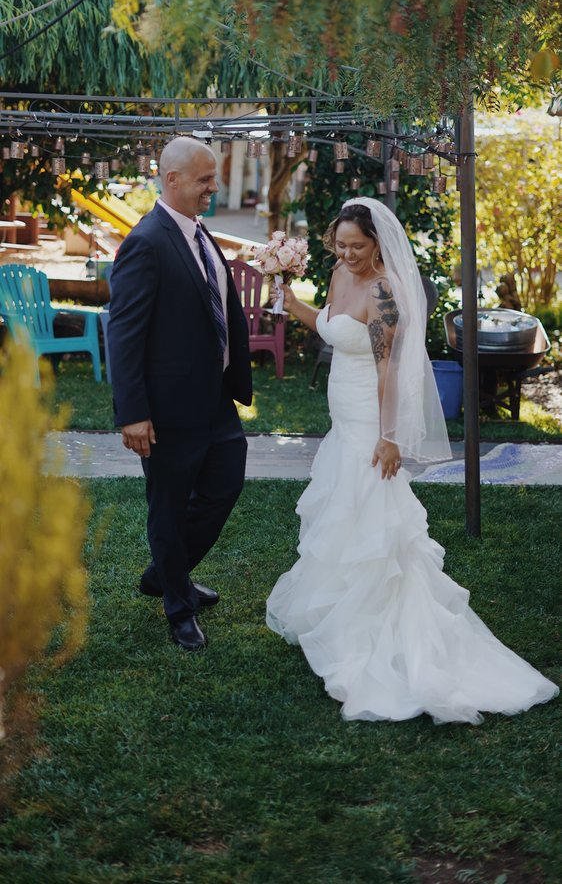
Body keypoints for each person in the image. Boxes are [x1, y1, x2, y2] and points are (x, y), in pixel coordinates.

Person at [266, 197, 558, 724]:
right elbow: (330, 327)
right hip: (342, 418)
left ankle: (377, 627)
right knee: (342, 514)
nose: (348, 254)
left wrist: (389, 436)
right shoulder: (339, 274)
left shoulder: (383, 293)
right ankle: (339, 615)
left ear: (378, 245)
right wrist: (292, 303)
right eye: (341, 245)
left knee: (375, 518)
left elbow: (389, 369)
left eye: (358, 246)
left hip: (369, 421)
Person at [108, 137, 252, 651]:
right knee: (168, 508)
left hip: (214, 398)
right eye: (204, 180)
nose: (214, 188)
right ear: (171, 179)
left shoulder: (198, 231)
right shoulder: (146, 242)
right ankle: (179, 607)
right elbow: (123, 333)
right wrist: (133, 413)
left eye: (214, 178)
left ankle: (165, 573)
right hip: (167, 409)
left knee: (225, 482)